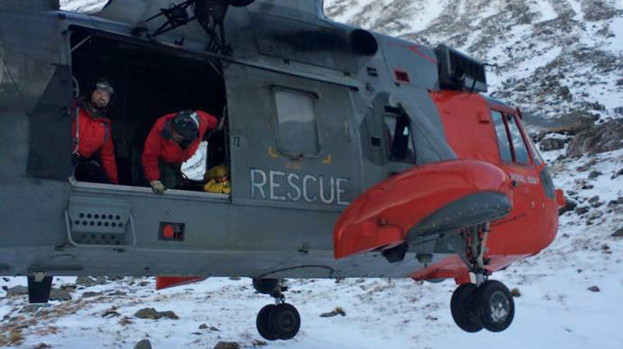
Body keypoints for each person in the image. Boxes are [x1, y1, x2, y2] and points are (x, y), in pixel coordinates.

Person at [142, 110, 218, 194]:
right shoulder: (159, 129)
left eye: (180, 136)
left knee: (179, 181)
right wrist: (154, 180)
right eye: (175, 131)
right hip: (163, 159)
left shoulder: (202, 121)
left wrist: (219, 125)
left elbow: (214, 122)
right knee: (169, 183)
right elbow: (150, 156)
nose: (175, 135)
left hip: (180, 159)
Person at [72, 78, 119, 184]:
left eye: (106, 95)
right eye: (98, 93)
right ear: (90, 93)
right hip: (60, 160)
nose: (102, 97)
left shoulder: (105, 126)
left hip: (81, 166)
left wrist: (113, 184)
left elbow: (108, 157)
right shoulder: (74, 109)